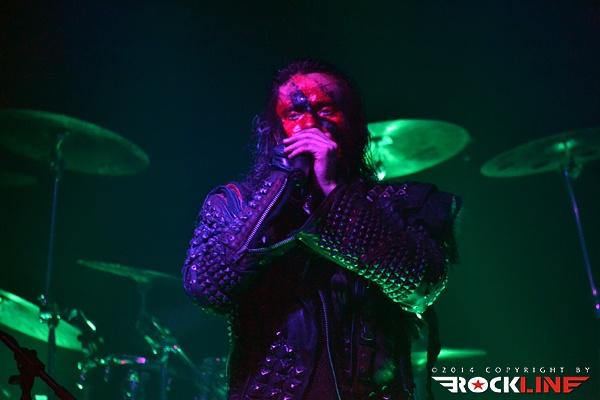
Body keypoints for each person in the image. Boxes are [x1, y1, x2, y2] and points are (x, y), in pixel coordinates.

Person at [182, 59, 461, 400]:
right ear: (276, 131)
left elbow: (422, 285)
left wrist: (332, 192)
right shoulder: (236, 203)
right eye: (294, 113)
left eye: (326, 109)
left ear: (354, 125)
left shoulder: (401, 203)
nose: (310, 124)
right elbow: (208, 288)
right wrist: (279, 188)